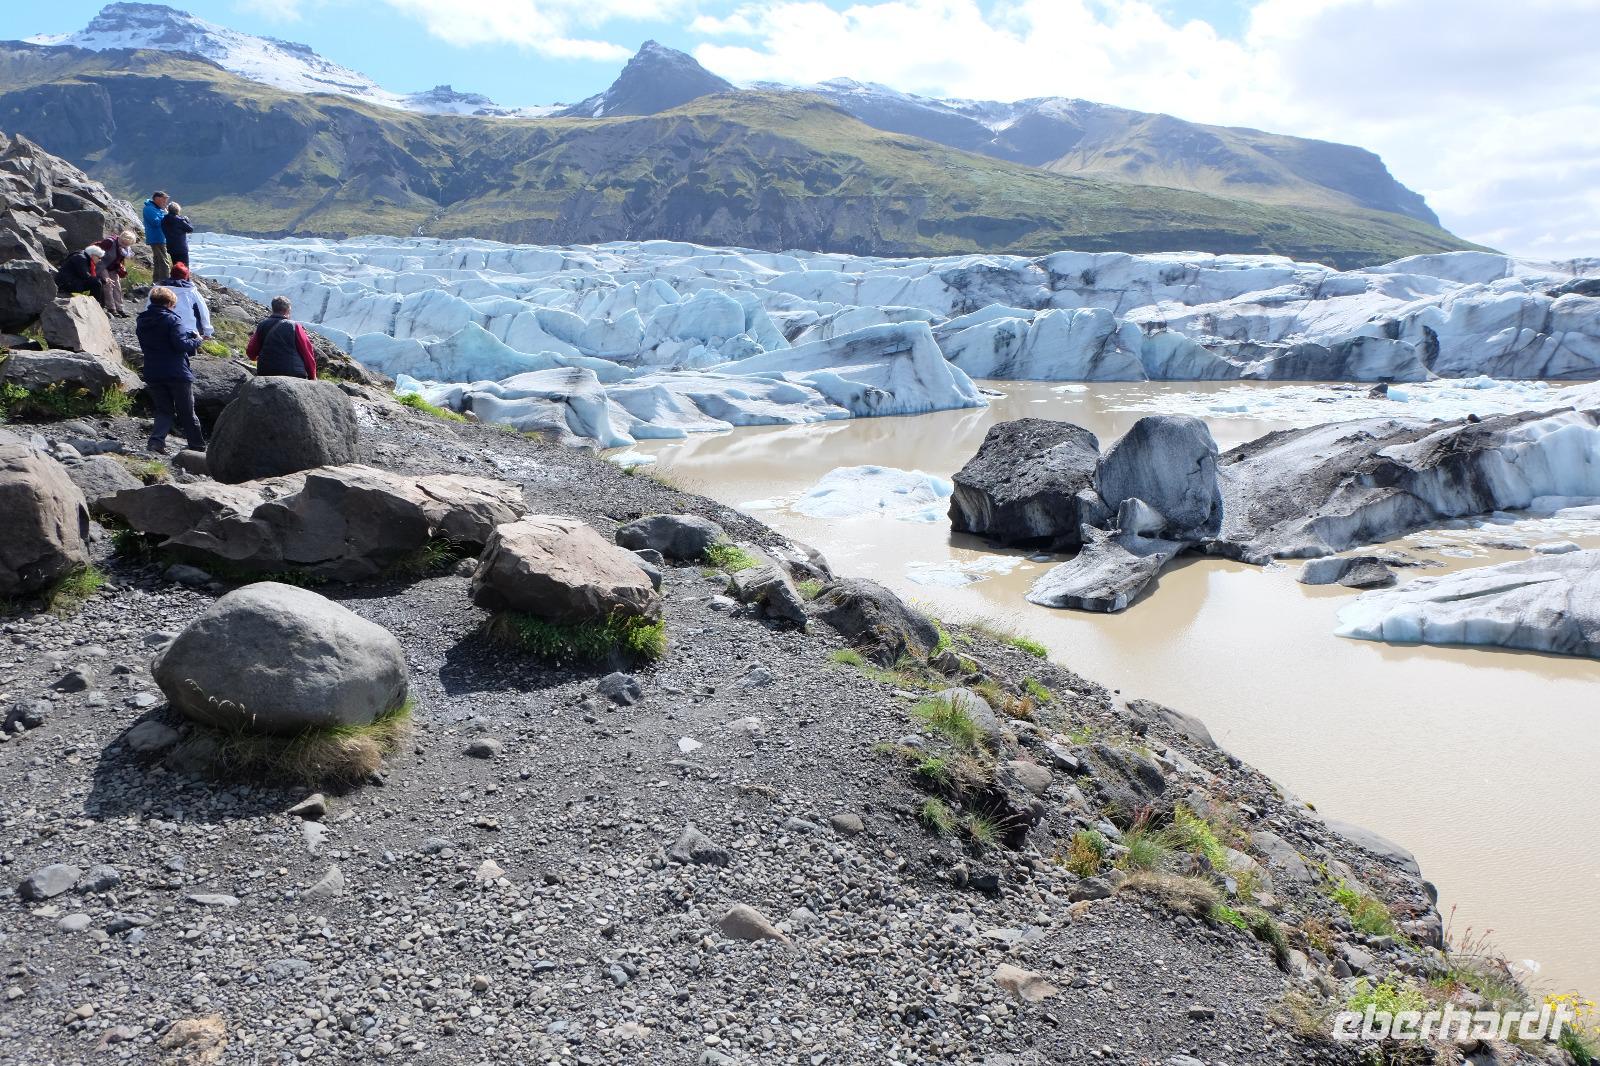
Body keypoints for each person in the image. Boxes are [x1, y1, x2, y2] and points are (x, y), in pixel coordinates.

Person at [135, 286, 205, 455]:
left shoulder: (142, 320)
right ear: (169, 303)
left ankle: (156, 442)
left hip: (153, 371)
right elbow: (181, 345)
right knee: (187, 411)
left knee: (163, 410)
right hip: (176, 372)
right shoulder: (174, 320)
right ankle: (197, 446)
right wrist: (197, 341)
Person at [245, 296, 319, 379]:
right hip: (293, 373)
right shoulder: (294, 326)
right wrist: (312, 376)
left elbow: (251, 352)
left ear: (273, 309)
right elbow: (306, 352)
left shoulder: (262, 325)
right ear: (287, 310)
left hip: (265, 372)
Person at [163, 263, 214, 340]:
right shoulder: (191, 292)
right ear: (186, 276)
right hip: (188, 333)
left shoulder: (157, 290)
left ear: (171, 274)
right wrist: (207, 332)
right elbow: (203, 312)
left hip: (160, 331)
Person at [94, 230, 138, 317]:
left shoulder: (126, 248)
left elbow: (120, 258)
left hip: (114, 266)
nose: (124, 245)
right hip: (102, 265)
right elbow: (97, 254)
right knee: (108, 285)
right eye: (123, 242)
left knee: (117, 286)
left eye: (126, 244)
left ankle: (120, 308)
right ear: (120, 238)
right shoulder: (109, 242)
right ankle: (111, 308)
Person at [142, 190, 170, 282]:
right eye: (163, 200)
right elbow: (155, 222)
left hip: (160, 237)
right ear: (157, 199)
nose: (165, 202)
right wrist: (165, 215)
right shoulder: (149, 209)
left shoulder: (156, 209)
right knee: (163, 261)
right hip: (156, 238)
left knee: (158, 260)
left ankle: (157, 281)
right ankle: (165, 281)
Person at [161, 202, 194, 273]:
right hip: (181, 248)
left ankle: (176, 282)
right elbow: (190, 229)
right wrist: (187, 221)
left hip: (171, 247)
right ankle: (185, 282)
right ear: (177, 210)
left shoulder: (164, 220)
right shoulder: (179, 220)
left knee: (176, 267)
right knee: (184, 268)